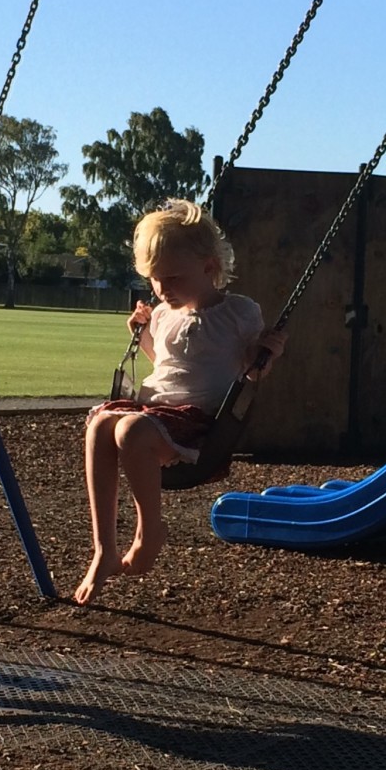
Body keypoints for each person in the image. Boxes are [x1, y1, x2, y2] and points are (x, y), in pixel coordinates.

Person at [73, 199, 287, 606]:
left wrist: (266, 352)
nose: (162, 289)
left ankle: (149, 530)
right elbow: (166, 363)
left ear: (209, 267)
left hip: (201, 422)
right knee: (101, 423)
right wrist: (141, 334)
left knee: (129, 428)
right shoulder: (161, 313)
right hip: (156, 411)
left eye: (171, 277)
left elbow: (250, 373)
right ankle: (103, 549)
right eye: (153, 279)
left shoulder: (239, 312)